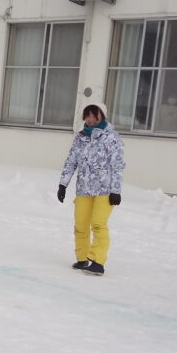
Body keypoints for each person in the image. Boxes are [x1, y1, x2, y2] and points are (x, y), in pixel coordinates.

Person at [57, 103, 125, 275]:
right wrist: (63, 184)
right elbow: (71, 161)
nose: (91, 119)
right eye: (87, 115)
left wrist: (116, 190)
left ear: (102, 115)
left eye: (94, 115)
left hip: (105, 190)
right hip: (84, 189)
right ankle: (82, 258)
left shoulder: (111, 137)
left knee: (98, 224)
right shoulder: (80, 137)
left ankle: (98, 262)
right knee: (80, 225)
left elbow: (117, 165)